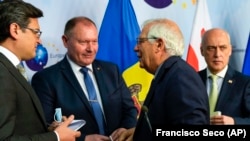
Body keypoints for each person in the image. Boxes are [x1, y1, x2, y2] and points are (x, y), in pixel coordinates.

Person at [31, 16, 138, 141]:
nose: (90, 49)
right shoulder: (45, 79)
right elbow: (46, 126)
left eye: (94, 41)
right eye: (83, 42)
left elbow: (130, 109)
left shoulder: (111, 70)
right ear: (65, 41)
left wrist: (126, 129)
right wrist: (84, 139)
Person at [0, 1, 81, 141]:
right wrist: (56, 137)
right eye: (36, 33)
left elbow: (19, 127)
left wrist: (50, 131)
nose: (40, 41)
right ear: (15, 30)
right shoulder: (2, 72)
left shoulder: (9, 68)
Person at [119, 18, 210, 141]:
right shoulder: (170, 73)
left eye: (140, 41)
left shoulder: (181, 77)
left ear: (159, 45)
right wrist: (141, 132)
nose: (135, 48)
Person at [198, 28, 250, 125]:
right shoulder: (192, 80)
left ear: (230, 50)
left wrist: (234, 122)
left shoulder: (245, 84)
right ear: (202, 51)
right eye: (211, 48)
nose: (217, 54)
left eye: (222, 48)